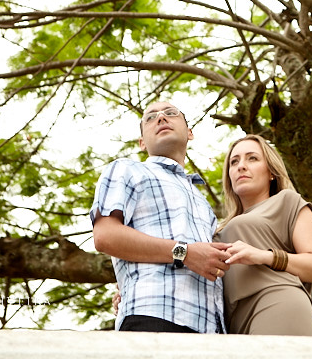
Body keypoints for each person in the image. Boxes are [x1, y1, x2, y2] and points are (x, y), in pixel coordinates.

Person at [90, 101, 231, 333]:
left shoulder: (203, 204)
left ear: (190, 133)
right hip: (152, 316)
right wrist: (184, 253)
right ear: (142, 143)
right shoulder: (127, 170)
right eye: (150, 117)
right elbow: (105, 236)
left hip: (210, 331)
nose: (161, 118)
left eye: (171, 113)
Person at [214, 134, 312, 335]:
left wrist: (265, 255)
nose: (241, 166)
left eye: (252, 158)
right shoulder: (217, 229)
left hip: (278, 302)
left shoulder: (287, 201)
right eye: (234, 161)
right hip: (235, 326)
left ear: (271, 173)